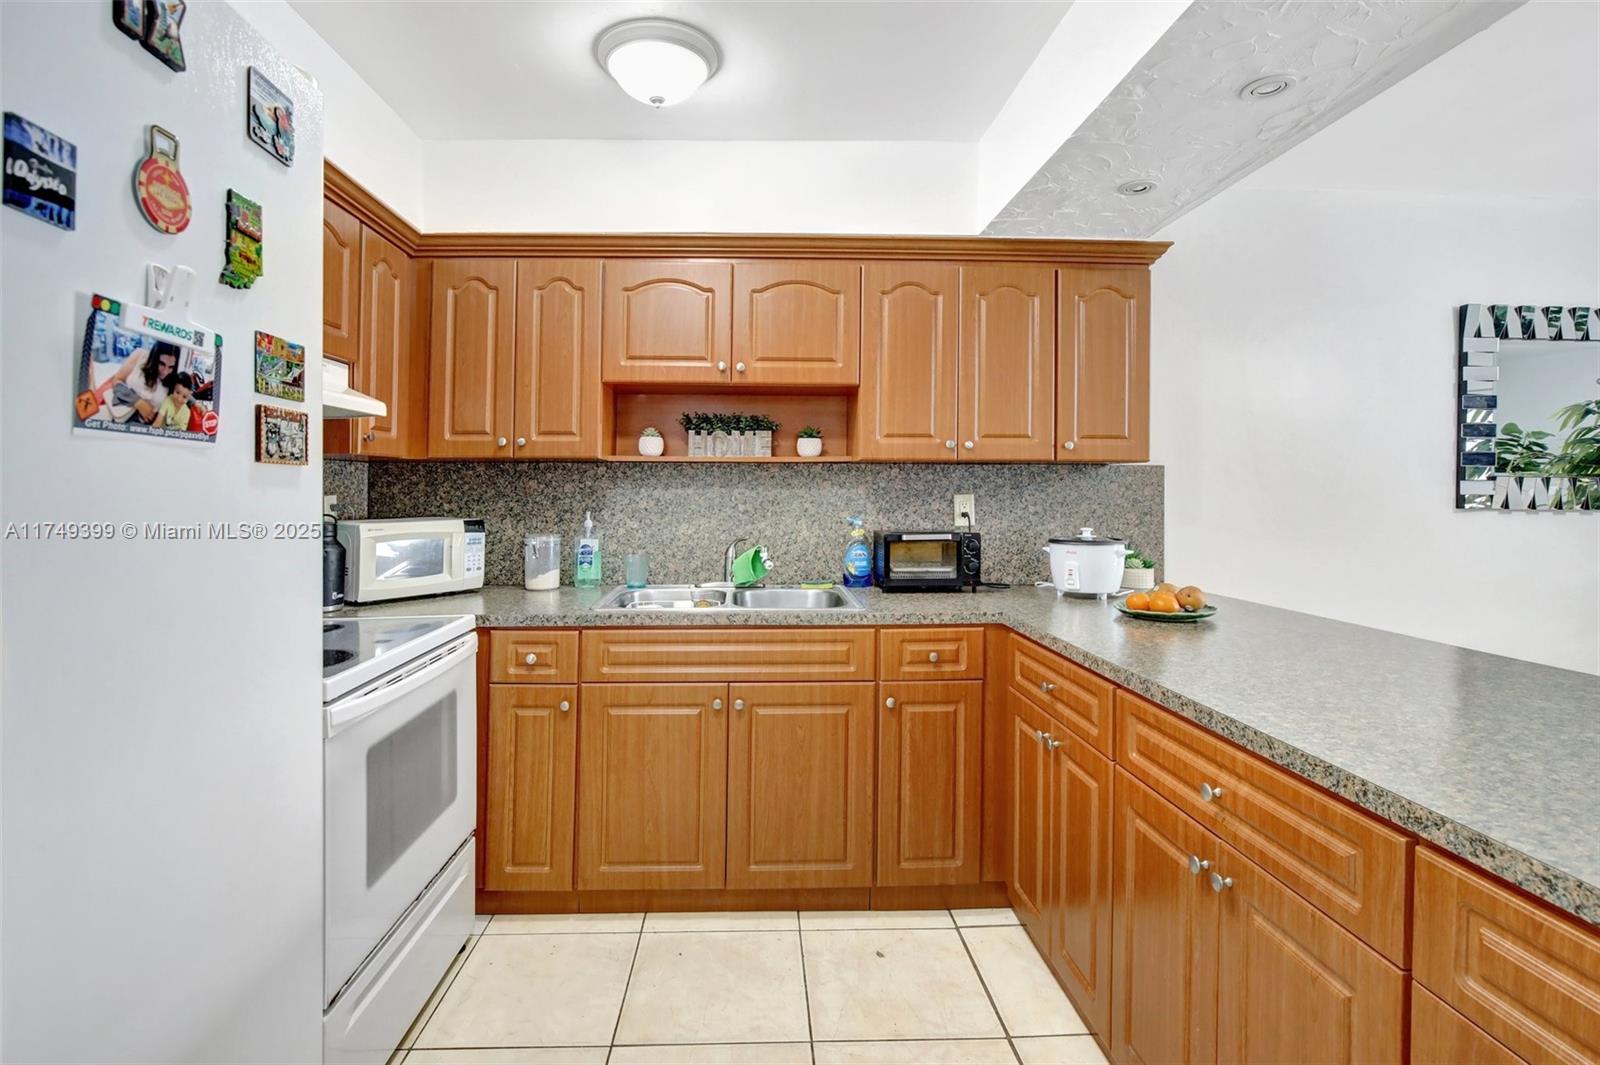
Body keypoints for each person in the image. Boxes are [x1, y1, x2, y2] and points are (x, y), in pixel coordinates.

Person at [94, 341, 178, 424]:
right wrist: (138, 402)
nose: (165, 372)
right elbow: (117, 380)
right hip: (117, 412)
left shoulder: (174, 380)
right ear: (155, 358)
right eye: (161, 364)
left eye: (171, 367)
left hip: (142, 426)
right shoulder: (140, 356)